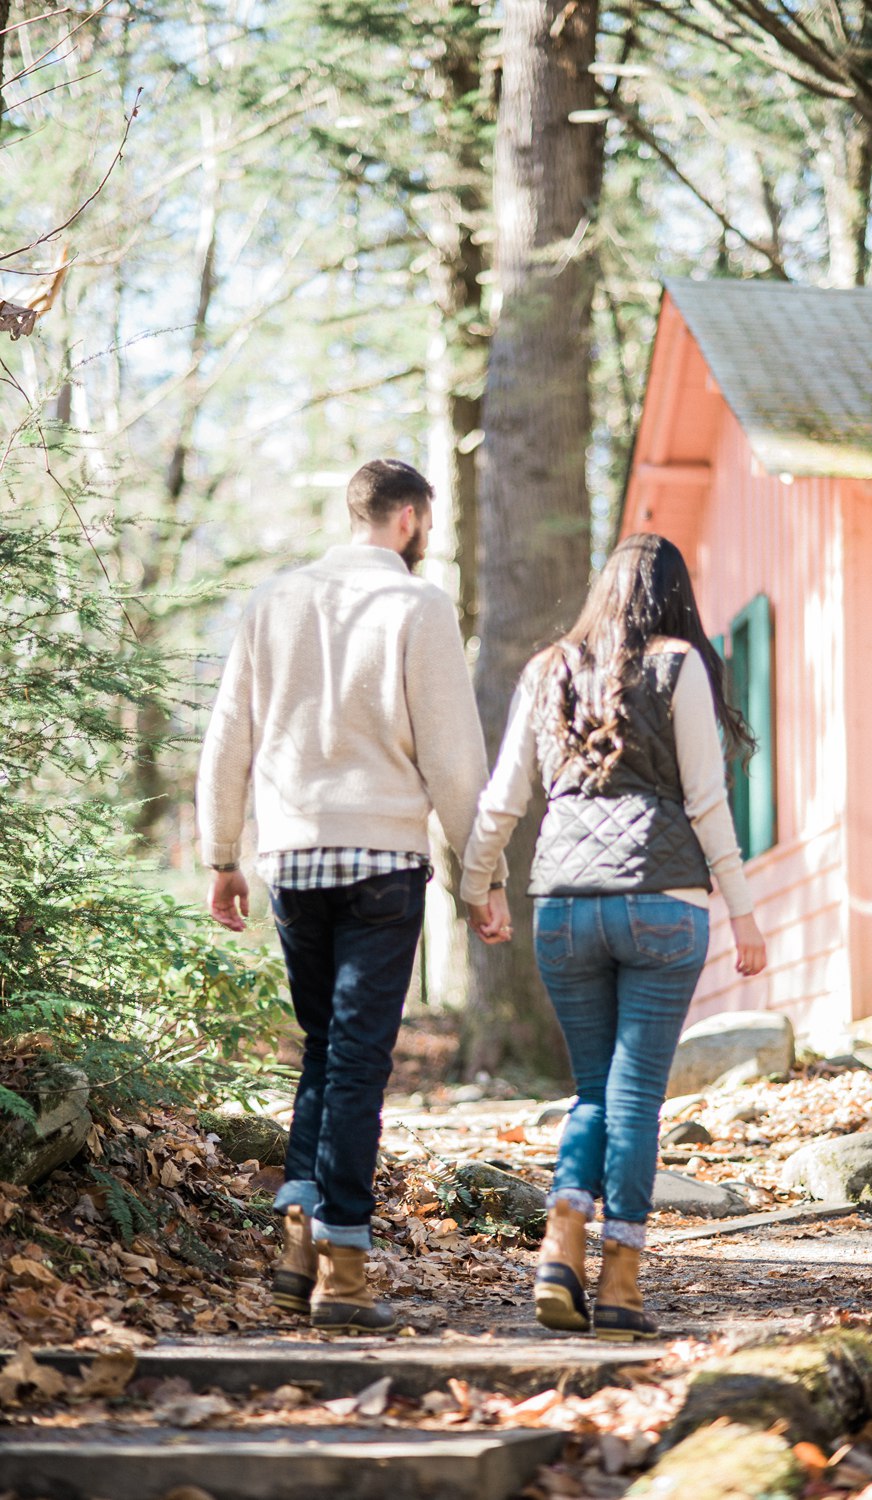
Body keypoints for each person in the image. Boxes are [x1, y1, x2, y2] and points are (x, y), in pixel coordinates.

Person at [197, 458, 506, 1334]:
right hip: (380, 858)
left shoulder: (273, 602)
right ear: (408, 518)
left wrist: (224, 854)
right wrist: (482, 877)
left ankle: (299, 1240)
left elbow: (228, 739)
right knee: (361, 1058)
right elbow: (453, 758)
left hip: (292, 857)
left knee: (324, 1048)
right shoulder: (417, 605)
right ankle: (346, 1264)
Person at [460, 533, 767, 1341]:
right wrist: (741, 909)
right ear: (675, 596)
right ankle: (621, 1283)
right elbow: (705, 802)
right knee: (635, 1099)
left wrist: (476, 884)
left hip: (563, 905)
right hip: (662, 906)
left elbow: (501, 799)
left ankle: (560, 1248)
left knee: (594, 1093)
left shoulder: (545, 668)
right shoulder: (677, 665)